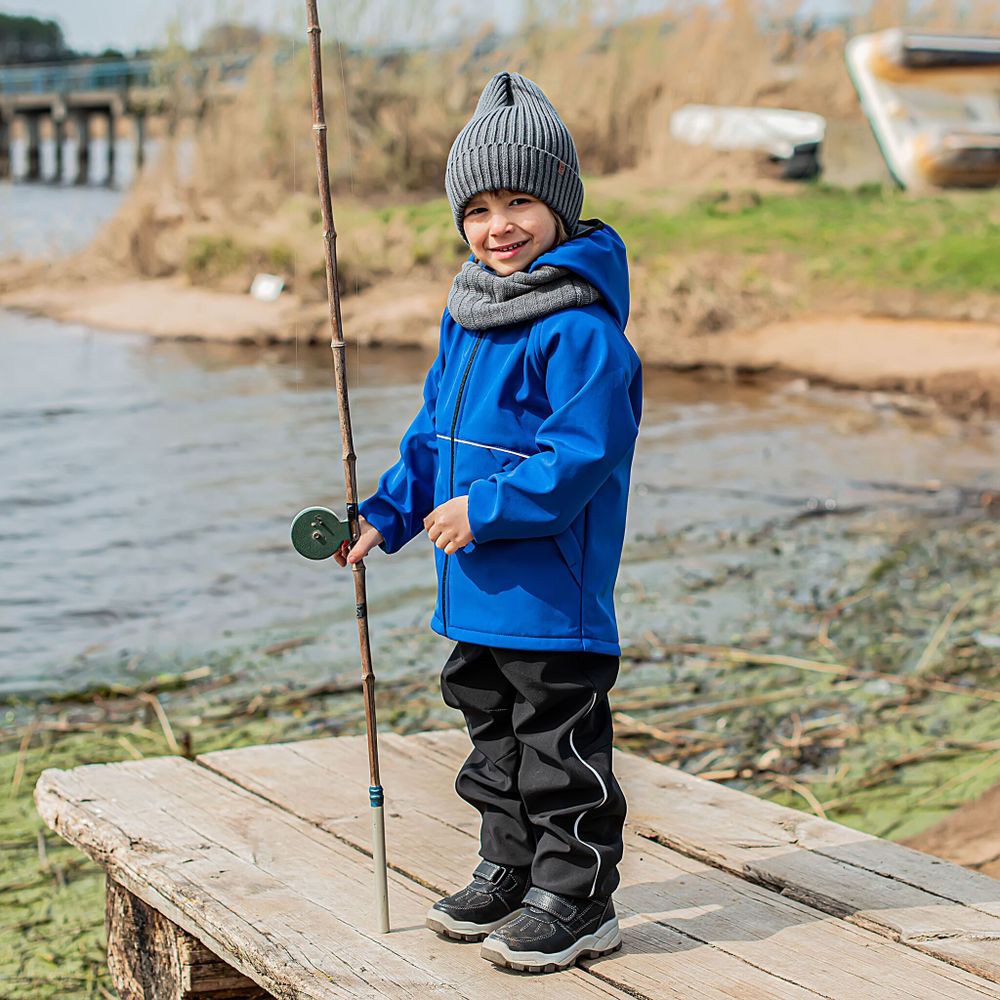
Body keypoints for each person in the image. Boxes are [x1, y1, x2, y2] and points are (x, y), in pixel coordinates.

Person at [335, 71, 643, 973]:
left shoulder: (581, 330)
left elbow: (579, 456)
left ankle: (577, 896)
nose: (498, 226)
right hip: (471, 592)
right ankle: (510, 870)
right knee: (492, 740)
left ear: (558, 206)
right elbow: (433, 433)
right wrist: (386, 513)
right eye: (477, 209)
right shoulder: (468, 314)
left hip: (549, 599)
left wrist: (487, 507)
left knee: (558, 748)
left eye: (519, 203)